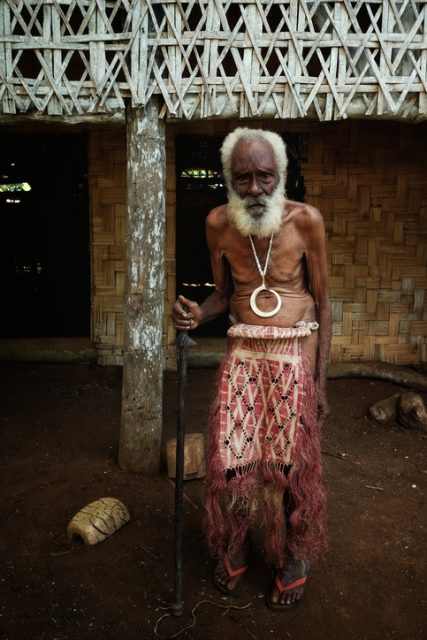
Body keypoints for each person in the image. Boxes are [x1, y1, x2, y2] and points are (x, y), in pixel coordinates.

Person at [172, 127, 331, 610]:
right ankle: (238, 539)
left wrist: (321, 382)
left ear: (281, 176)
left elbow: (323, 303)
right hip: (244, 357)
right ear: (228, 178)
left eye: (265, 176)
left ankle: (295, 554)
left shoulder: (306, 221)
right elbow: (225, 294)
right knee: (236, 456)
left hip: (294, 359)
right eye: (244, 178)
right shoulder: (219, 224)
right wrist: (199, 313)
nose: (256, 189)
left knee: (292, 464)